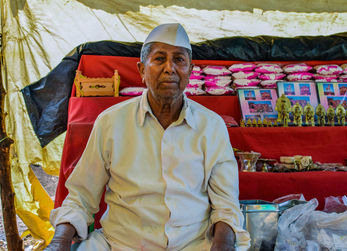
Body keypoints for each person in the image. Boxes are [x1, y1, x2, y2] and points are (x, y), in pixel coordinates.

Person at [45, 23, 250, 251]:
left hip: (193, 245)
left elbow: (226, 205)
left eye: (179, 60)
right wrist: (58, 243)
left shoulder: (211, 126)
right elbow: (81, 197)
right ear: (141, 70)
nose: (170, 68)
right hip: (120, 245)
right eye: (159, 59)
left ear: (190, 71)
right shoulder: (111, 122)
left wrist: (222, 247)